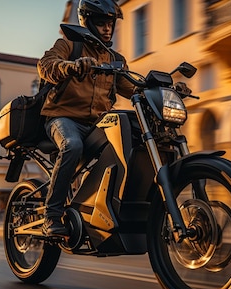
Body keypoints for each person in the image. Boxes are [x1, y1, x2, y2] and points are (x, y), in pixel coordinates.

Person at [37, 0, 136, 237]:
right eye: (102, 23)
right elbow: (45, 65)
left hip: (96, 126)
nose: (107, 29)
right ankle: (51, 216)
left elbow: (133, 88)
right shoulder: (70, 44)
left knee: (129, 146)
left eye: (110, 24)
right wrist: (70, 67)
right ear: (88, 21)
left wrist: (166, 88)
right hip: (63, 118)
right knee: (72, 145)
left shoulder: (116, 60)